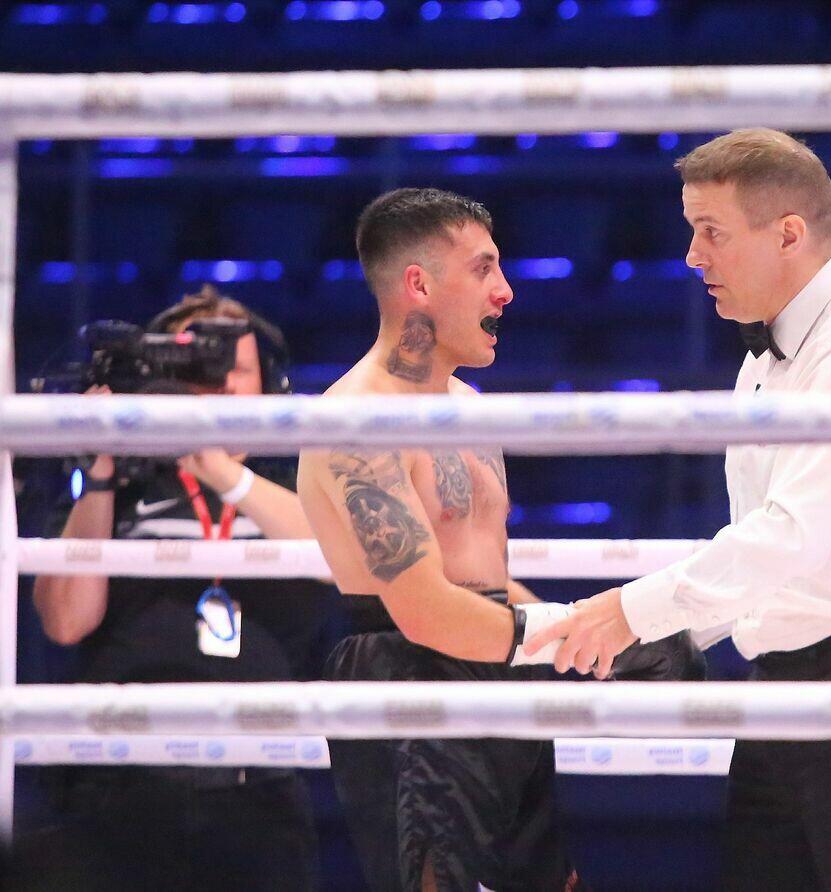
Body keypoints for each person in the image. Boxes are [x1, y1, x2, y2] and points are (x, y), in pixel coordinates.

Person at [527, 128, 831, 891]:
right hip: (786, 677)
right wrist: (672, 632)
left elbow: (790, 537)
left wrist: (634, 612)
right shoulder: (765, 357)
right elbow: (762, 547)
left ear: (788, 235)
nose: (692, 256)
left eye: (712, 232)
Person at [297, 187, 701, 892]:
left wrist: (599, 639)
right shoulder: (357, 422)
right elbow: (426, 610)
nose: (506, 291)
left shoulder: (470, 409)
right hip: (414, 677)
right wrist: (572, 633)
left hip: (497, 657)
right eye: (483, 269)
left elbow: (480, 580)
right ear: (419, 284)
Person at [27, 286, 336, 891]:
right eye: (196, 368)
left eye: (233, 368)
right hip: (124, 786)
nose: (217, 384)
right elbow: (65, 622)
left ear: (267, 387)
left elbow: (345, 563)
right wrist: (100, 472)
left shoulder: (296, 482)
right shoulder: (116, 490)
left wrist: (220, 468)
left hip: (262, 795)